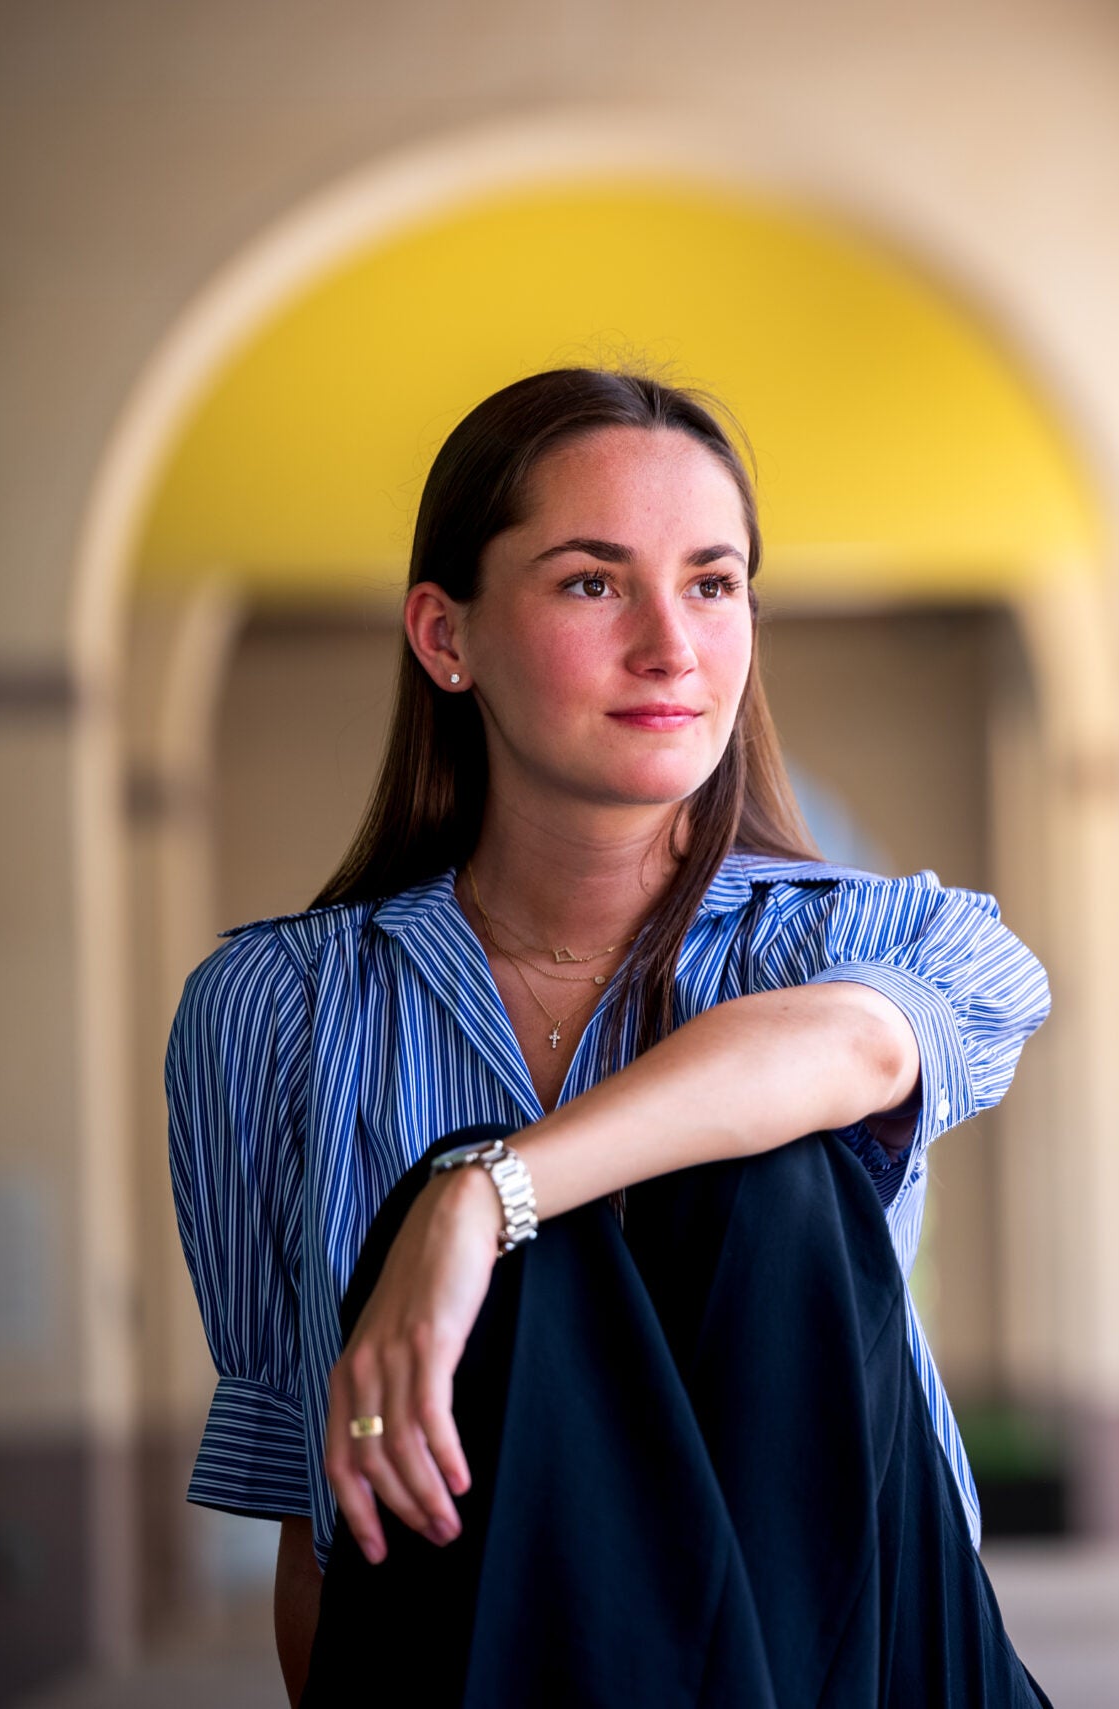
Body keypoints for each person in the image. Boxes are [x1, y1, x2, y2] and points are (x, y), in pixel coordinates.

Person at [165, 368, 1054, 1706]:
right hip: (510, 1655)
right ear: (444, 634)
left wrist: (483, 1199)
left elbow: (862, 1055)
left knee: (763, 1157)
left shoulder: (875, 939)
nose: (671, 642)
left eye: (712, 581)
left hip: (864, 1665)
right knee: (516, 1292)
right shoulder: (272, 1016)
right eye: (593, 581)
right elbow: (324, 1510)